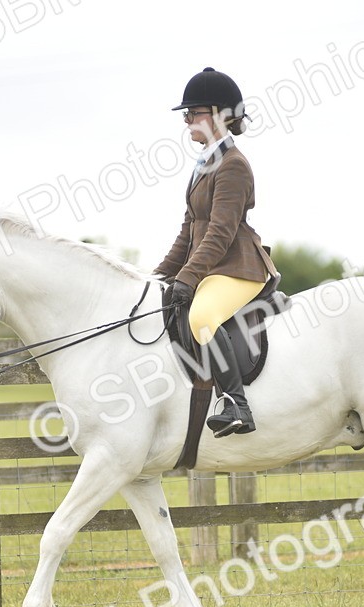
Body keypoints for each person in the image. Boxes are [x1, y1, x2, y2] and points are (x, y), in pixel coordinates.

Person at [154, 67, 278, 437]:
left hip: (238, 267)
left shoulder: (234, 165)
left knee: (202, 314)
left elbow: (221, 231)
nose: (187, 120)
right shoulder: (204, 165)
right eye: (186, 115)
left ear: (220, 115)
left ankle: (237, 404)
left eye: (194, 113)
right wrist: (157, 276)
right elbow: (189, 230)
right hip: (213, 267)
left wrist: (189, 277)